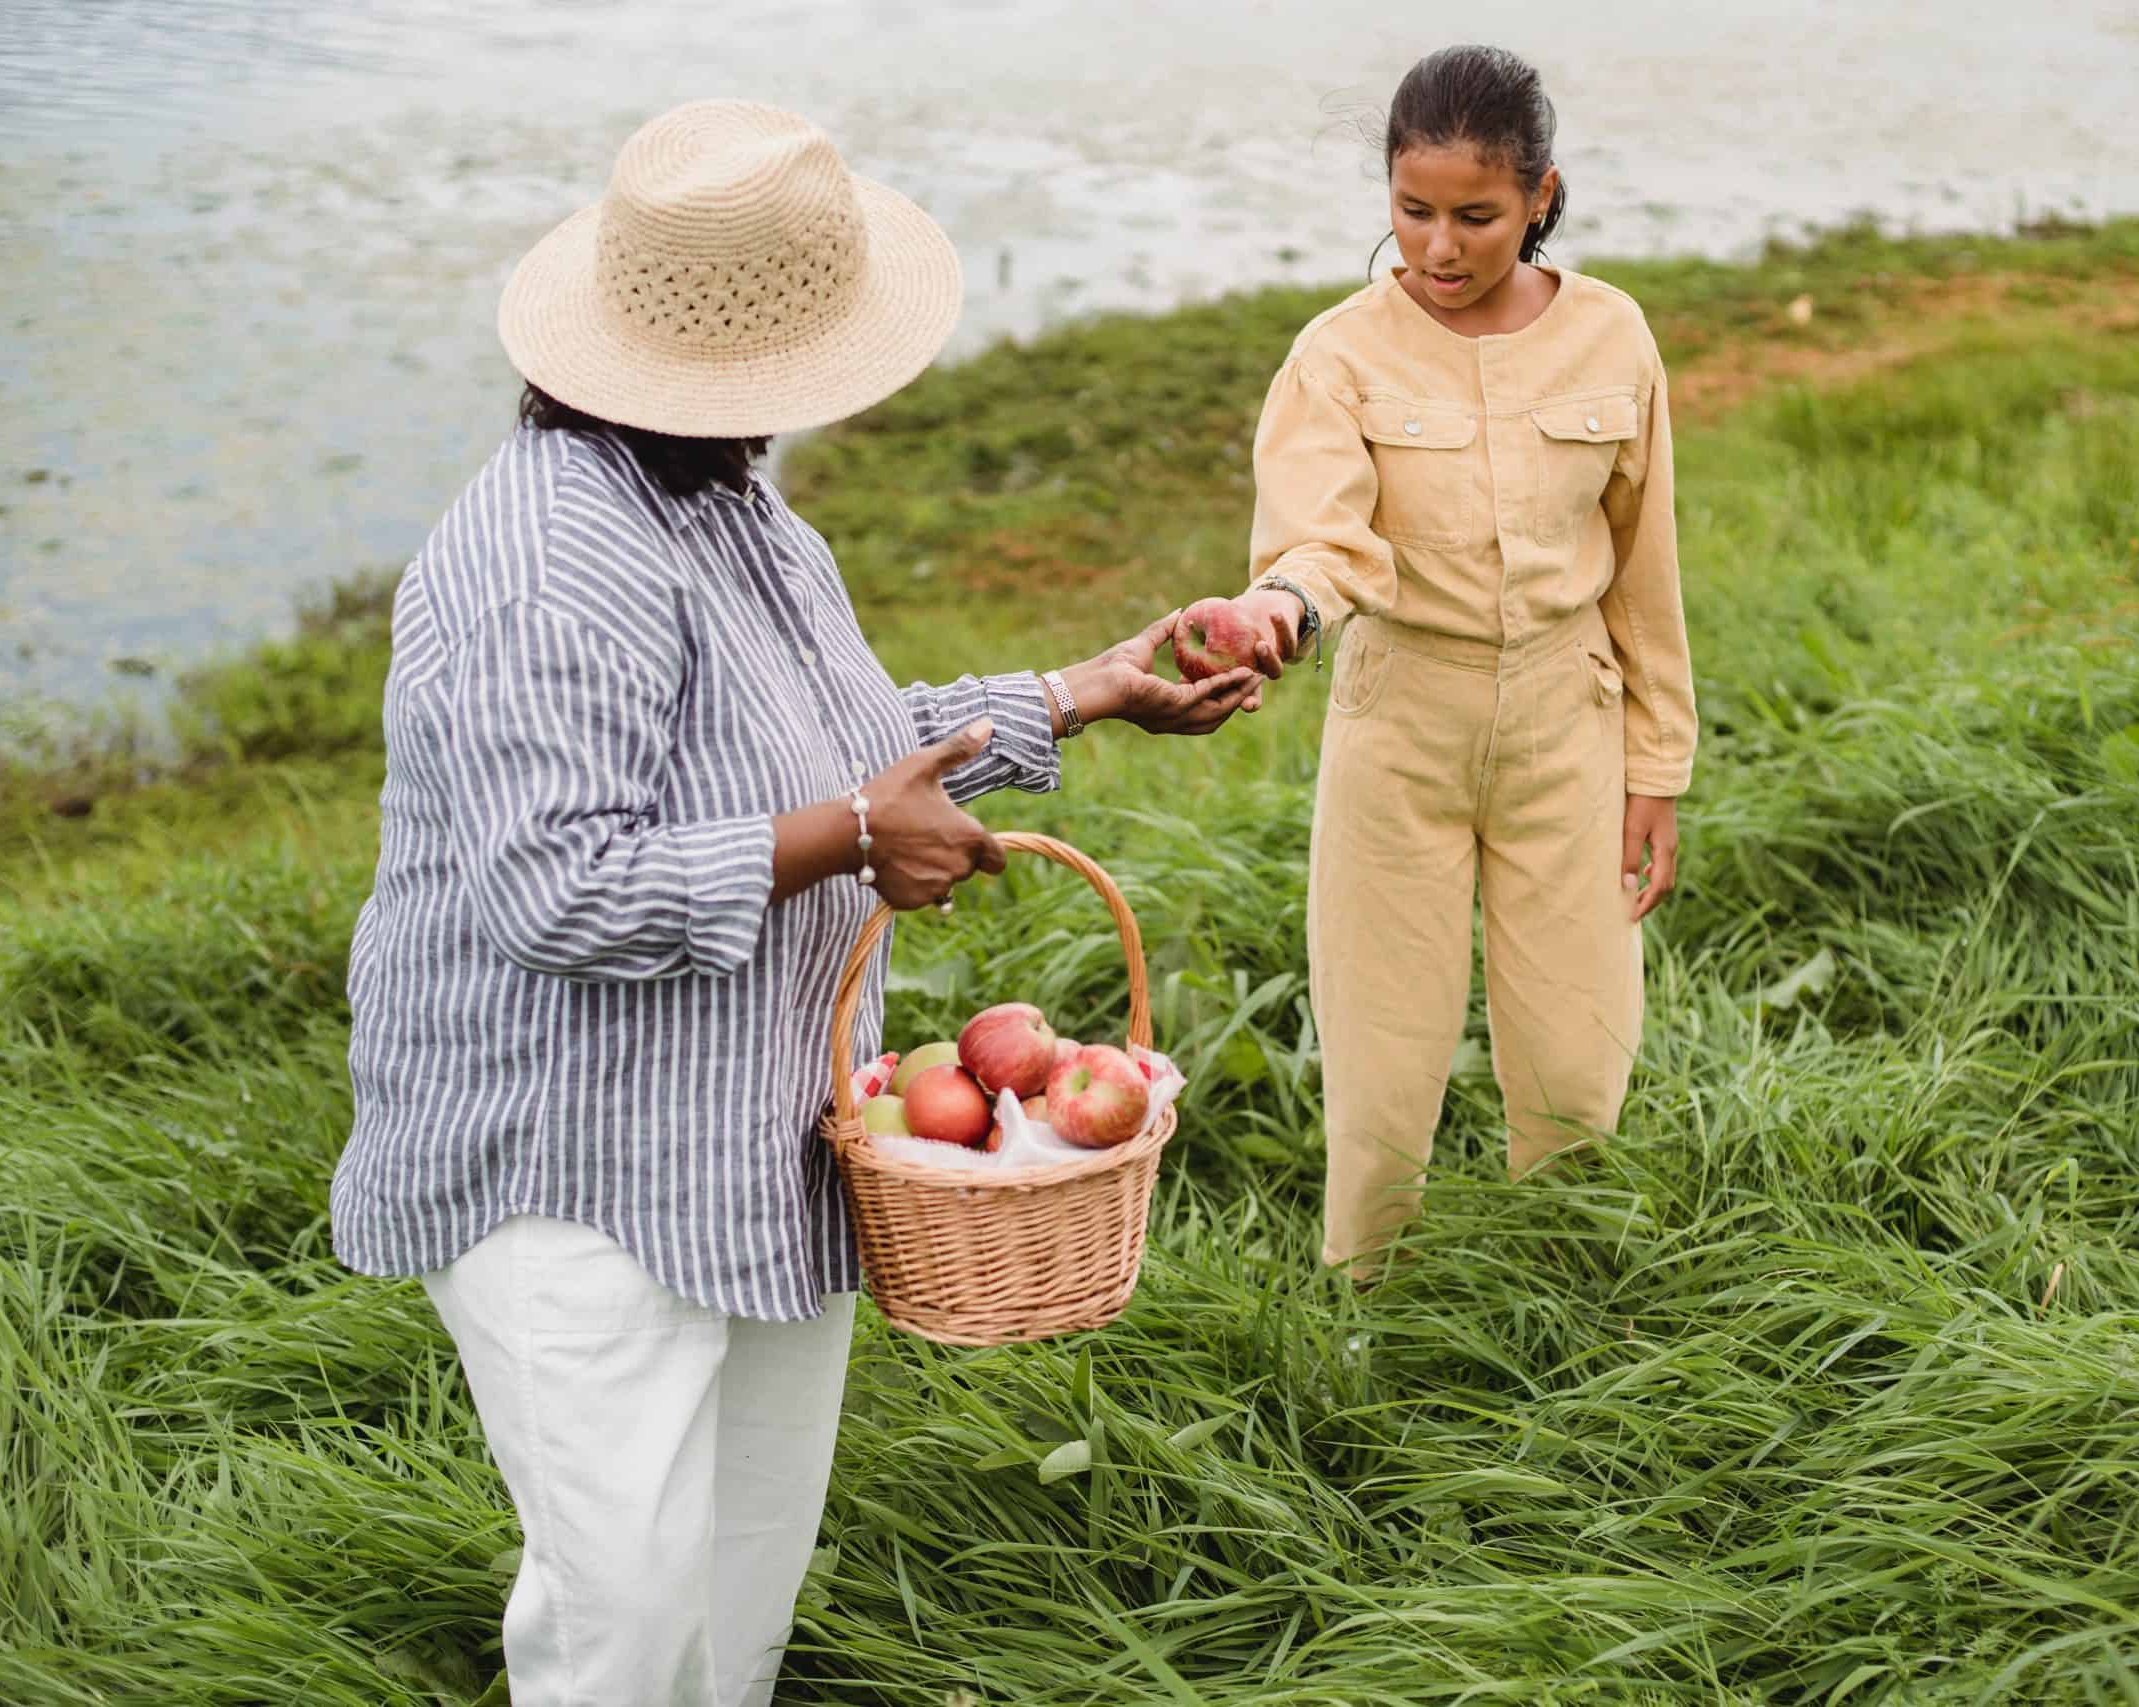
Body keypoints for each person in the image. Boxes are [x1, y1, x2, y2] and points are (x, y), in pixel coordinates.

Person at [325, 99, 1259, 1706]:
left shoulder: (729, 505)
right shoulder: (548, 556)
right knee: (621, 1626)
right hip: (577, 1175)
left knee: (742, 1570)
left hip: (751, 1133)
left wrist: (1078, 691)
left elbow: (836, 741)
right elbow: (558, 885)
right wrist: (843, 838)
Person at [1227, 44, 1698, 1275]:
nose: (1439, 249)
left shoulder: (1613, 336)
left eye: (1476, 217)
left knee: (1578, 1069)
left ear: (1541, 195)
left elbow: (1645, 568)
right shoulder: (1334, 355)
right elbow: (1318, 539)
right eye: (1412, 212)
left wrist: (1659, 768)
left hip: (1570, 723)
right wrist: (1276, 609)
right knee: (1383, 1080)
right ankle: (1363, 1322)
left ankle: (1565, 1308)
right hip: (1400, 728)